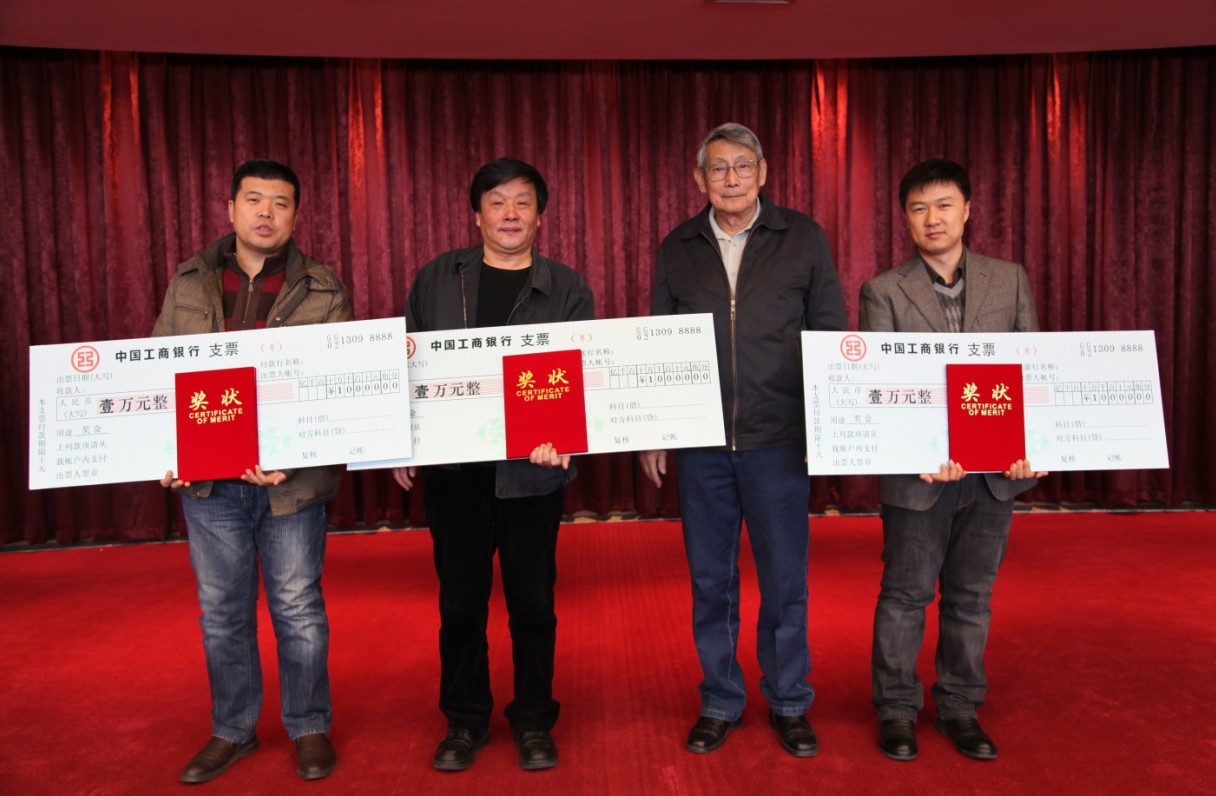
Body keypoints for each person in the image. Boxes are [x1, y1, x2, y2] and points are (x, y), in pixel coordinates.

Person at [640, 123, 847, 758]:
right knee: (711, 579)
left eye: (742, 166)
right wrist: (657, 428)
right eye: (718, 168)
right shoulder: (678, 245)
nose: (731, 178)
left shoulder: (802, 237)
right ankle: (720, 700)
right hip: (702, 442)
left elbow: (830, 331)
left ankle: (789, 701)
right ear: (699, 179)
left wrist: (825, 422)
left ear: (763, 173)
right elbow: (658, 339)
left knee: (785, 579)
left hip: (779, 438)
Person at [392, 157, 594, 773]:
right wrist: (401, 438)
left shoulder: (567, 288)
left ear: (540, 216)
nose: (510, 214)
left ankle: (533, 719)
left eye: (523, 202)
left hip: (532, 473)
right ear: (476, 214)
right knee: (460, 604)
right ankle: (465, 720)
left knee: (533, 603)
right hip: (455, 473)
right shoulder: (436, 278)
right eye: (497, 202)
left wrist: (564, 438)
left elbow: (582, 377)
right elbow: (405, 363)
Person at [155, 159, 350, 784]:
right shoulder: (189, 279)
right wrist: (163, 451)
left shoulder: (323, 286)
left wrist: (292, 453)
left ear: (296, 215)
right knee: (222, 612)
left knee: (298, 608)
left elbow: (335, 384)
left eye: (280, 203)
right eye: (254, 200)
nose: (266, 213)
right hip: (210, 484)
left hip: (292, 484)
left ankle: (309, 725)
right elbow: (160, 370)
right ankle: (233, 729)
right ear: (231, 208)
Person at [859, 158, 1045, 762]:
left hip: (994, 477)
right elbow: (879, 387)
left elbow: (1033, 372)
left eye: (943, 205)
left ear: (967, 210)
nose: (932, 218)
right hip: (919, 478)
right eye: (919, 208)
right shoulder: (883, 291)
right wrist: (919, 450)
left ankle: (961, 705)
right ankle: (896, 707)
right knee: (905, 595)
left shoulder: (1009, 279)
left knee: (971, 598)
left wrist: (1034, 447)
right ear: (905, 219)